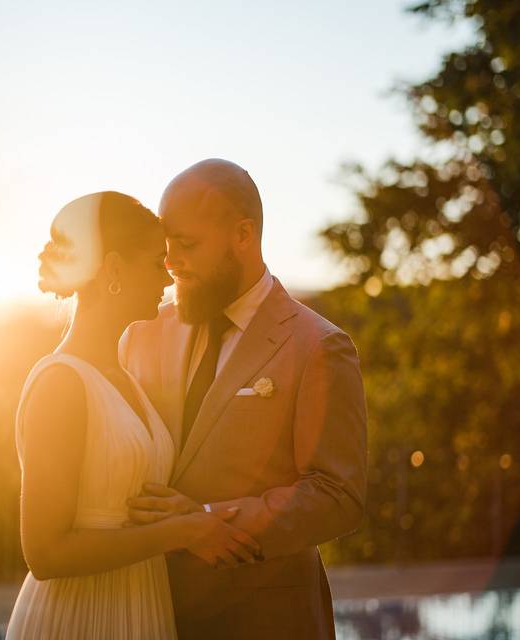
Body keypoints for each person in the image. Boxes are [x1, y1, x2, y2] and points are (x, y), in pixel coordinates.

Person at [120, 159, 368, 639]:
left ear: (242, 235)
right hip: (149, 612)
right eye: (166, 246)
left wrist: (204, 520)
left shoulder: (318, 345)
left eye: (186, 245)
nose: (170, 262)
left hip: (266, 618)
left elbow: (339, 496)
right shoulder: (143, 334)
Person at [5, 191, 262, 640]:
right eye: (154, 261)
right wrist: (181, 533)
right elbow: (45, 554)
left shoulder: (123, 375)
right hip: (80, 620)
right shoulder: (61, 384)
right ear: (115, 271)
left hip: (141, 607)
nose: (167, 277)